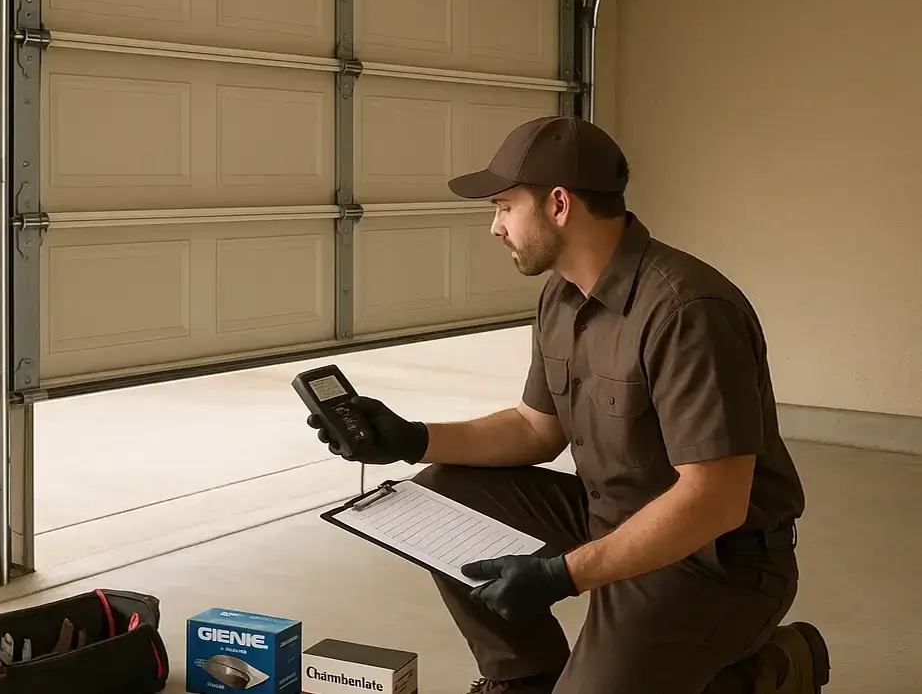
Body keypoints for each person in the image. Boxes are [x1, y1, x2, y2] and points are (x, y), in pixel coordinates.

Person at [308, 115, 831, 694]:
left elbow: (715, 501)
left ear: (558, 204)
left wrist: (561, 576)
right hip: (606, 520)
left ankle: (770, 670)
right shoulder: (561, 297)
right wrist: (411, 438)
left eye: (506, 206)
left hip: (716, 564)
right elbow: (536, 429)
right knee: (439, 492)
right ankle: (526, 677)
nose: (495, 227)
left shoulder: (688, 311)